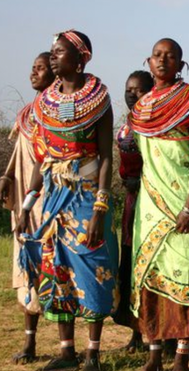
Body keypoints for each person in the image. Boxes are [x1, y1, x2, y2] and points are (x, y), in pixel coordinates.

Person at [17, 30, 118, 371]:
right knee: (56, 269)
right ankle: (66, 352)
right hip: (54, 198)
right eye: (52, 51)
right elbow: (42, 159)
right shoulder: (43, 104)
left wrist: (100, 207)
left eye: (60, 52)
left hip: (87, 196)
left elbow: (106, 157)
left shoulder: (99, 99)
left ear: (81, 57)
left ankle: (93, 353)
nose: (53, 57)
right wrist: (28, 205)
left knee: (93, 269)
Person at [129, 38, 189, 371]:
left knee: (187, 273)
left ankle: (182, 354)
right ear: (148, 62)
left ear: (181, 65)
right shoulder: (140, 108)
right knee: (151, 274)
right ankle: (154, 353)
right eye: (157, 56)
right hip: (151, 204)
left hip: (183, 201)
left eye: (171, 57)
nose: (163, 61)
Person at [0, 51, 54, 365]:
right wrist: (7, 175)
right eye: (32, 68)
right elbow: (19, 151)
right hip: (23, 200)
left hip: (47, 200)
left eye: (41, 68)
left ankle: (69, 346)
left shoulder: (58, 111)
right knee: (25, 269)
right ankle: (30, 342)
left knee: (52, 267)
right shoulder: (26, 114)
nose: (34, 73)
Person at [111, 70, 153, 353]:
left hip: (154, 199)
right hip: (131, 201)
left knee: (150, 264)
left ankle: (157, 330)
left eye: (138, 90)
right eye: (129, 89)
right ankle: (136, 331)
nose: (132, 94)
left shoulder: (158, 119)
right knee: (130, 264)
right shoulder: (126, 125)